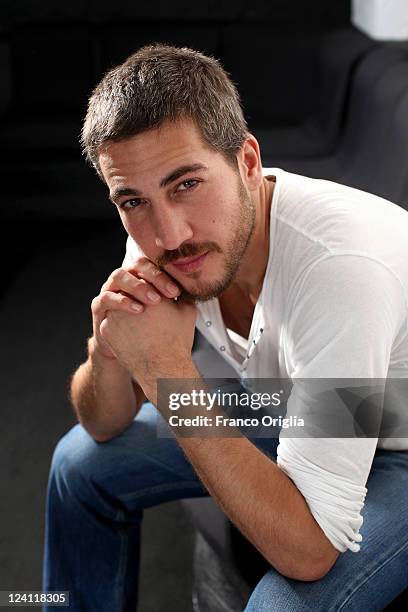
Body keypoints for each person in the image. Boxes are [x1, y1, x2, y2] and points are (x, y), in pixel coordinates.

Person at [42, 43, 408, 611]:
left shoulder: (340, 266)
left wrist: (167, 370)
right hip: (311, 404)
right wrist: (109, 351)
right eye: (133, 200)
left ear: (247, 161)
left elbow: (308, 552)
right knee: (79, 466)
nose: (168, 234)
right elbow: (104, 423)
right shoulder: (160, 238)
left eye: (187, 183)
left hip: (400, 434)